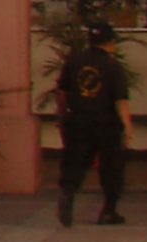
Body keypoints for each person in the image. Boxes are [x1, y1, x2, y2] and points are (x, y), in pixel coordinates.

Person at [54, 20, 132, 228]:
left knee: (75, 160)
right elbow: (120, 101)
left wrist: (62, 117)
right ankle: (109, 210)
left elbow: (62, 93)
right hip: (106, 123)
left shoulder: (74, 61)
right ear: (110, 42)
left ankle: (68, 190)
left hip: (78, 119)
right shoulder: (113, 66)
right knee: (111, 167)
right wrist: (128, 128)